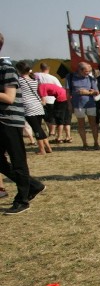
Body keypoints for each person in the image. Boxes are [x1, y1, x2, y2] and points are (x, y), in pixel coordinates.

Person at [0, 33, 45, 214]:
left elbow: (9, 98)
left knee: (18, 160)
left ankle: (23, 200)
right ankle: (32, 185)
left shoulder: (6, 69)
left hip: (9, 120)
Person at [14, 62, 51, 155]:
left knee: (36, 129)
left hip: (28, 107)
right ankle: (48, 147)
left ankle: (42, 150)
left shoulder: (19, 80)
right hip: (38, 105)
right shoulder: (34, 79)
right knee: (39, 127)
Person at [66, 62, 100, 148]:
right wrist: (69, 104)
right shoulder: (70, 77)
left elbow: (97, 92)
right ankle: (85, 144)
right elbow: (67, 91)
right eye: (86, 71)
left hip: (90, 104)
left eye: (89, 71)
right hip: (78, 105)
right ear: (80, 70)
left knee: (93, 124)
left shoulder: (91, 78)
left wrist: (88, 92)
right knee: (81, 124)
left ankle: (96, 143)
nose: (88, 73)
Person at [34, 63, 63, 142]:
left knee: (45, 117)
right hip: (52, 99)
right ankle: (52, 132)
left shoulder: (36, 76)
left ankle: (51, 132)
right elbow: (60, 88)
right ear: (49, 68)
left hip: (41, 99)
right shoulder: (53, 78)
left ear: (40, 68)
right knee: (52, 116)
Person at [37, 78, 71, 144]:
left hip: (61, 98)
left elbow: (43, 102)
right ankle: (68, 137)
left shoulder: (40, 87)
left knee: (59, 119)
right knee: (66, 119)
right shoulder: (44, 85)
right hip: (67, 97)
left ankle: (59, 138)